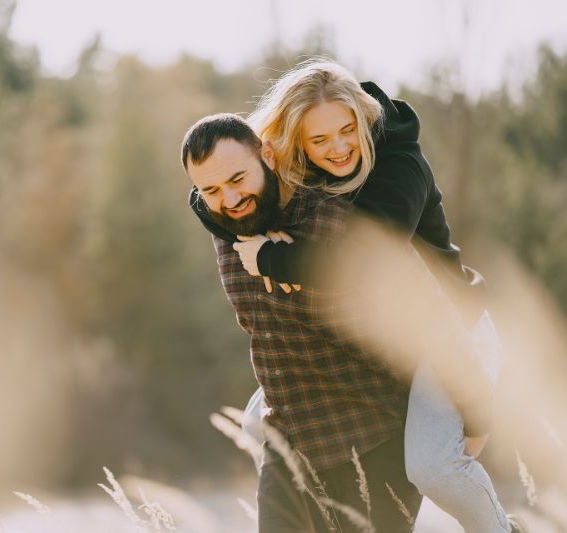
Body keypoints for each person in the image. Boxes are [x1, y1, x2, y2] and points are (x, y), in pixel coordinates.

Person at [187, 60, 523, 532]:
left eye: (346, 131)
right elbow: (224, 193)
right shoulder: (300, 171)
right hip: (391, 326)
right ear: (293, 144)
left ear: (362, 120)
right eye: (319, 140)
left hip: (452, 327)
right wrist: (228, 213)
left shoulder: (397, 167)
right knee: (254, 422)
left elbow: (364, 259)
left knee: (434, 466)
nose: (338, 148)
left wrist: (270, 259)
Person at [182, 113, 423, 531]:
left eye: (238, 179)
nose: (230, 198)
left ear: (268, 157)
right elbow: (216, 203)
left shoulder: (326, 215)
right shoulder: (226, 225)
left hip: (374, 434)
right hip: (290, 440)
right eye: (212, 190)